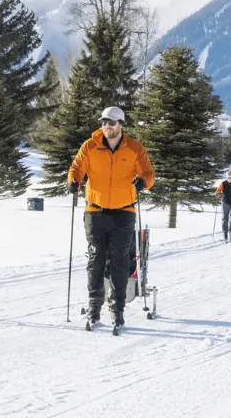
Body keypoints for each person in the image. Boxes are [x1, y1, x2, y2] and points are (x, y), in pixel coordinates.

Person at [68, 105, 156, 333]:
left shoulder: (134, 149)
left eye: (111, 122)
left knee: (119, 262)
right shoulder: (90, 146)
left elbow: (149, 174)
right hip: (95, 211)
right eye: (103, 123)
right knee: (95, 260)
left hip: (124, 213)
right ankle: (94, 308)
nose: (106, 126)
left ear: (120, 124)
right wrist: (73, 180)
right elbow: (76, 168)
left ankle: (117, 312)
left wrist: (142, 183)